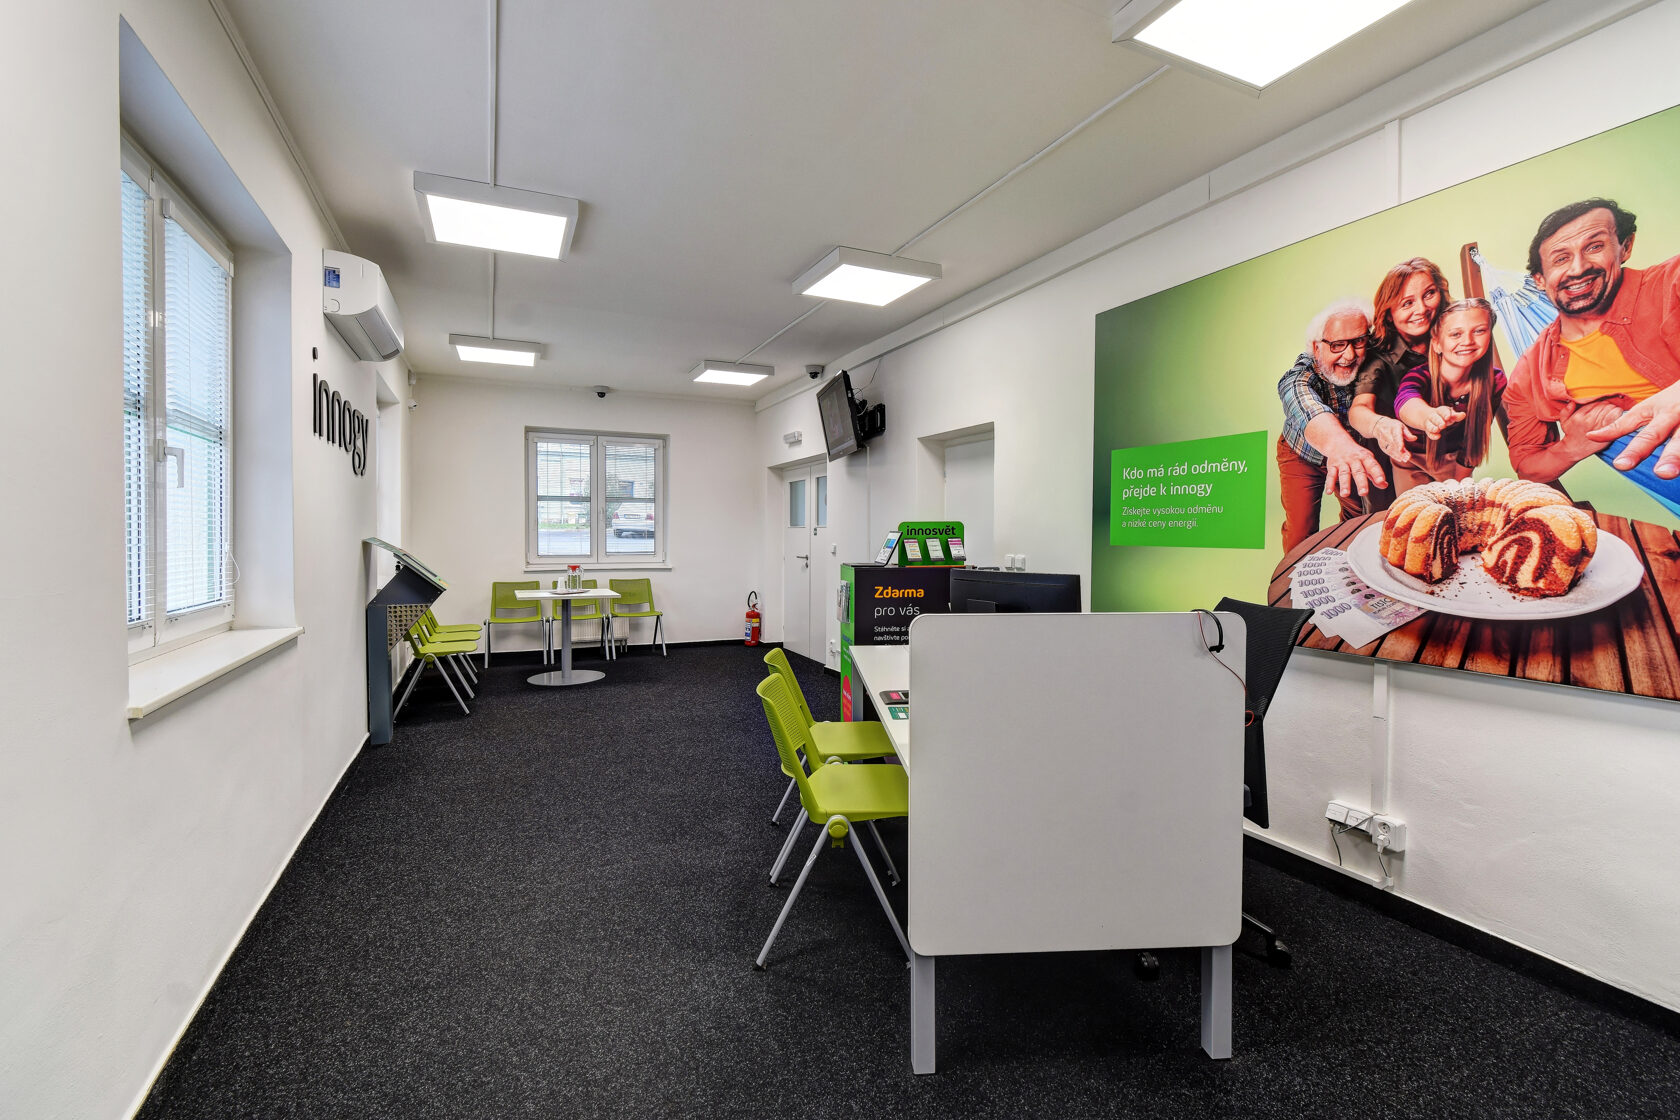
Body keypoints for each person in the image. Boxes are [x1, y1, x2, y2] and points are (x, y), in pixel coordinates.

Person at [1504, 198, 1680, 516]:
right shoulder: (1530, 373)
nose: (1578, 268)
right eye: (1561, 258)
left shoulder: (1670, 284)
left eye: (1594, 247)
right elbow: (1528, 468)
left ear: (1625, 247)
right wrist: (1572, 446)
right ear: (1539, 280)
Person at [1276, 300, 1388, 551]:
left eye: (1358, 341)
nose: (1349, 355)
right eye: (1337, 345)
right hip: (1301, 454)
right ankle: (1296, 574)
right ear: (1317, 348)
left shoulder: (1374, 361)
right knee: (1300, 532)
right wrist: (1340, 446)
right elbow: (1298, 395)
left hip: (1353, 455)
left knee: (1358, 523)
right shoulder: (1303, 372)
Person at [1346, 258, 1452, 490]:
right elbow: (1359, 410)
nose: (1421, 309)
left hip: (1445, 458)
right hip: (1391, 464)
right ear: (1389, 313)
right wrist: (1381, 425)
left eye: (1429, 294)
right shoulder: (1378, 356)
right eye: (1407, 303)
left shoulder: (1454, 339)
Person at [1392, 298, 1506, 490]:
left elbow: (1475, 438)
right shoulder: (1420, 375)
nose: (1467, 341)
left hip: (1453, 460)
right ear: (1437, 344)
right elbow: (1405, 402)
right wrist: (1429, 417)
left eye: (1479, 331)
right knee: (1416, 506)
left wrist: (1460, 482)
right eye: (1455, 334)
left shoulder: (1495, 381)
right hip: (1409, 459)